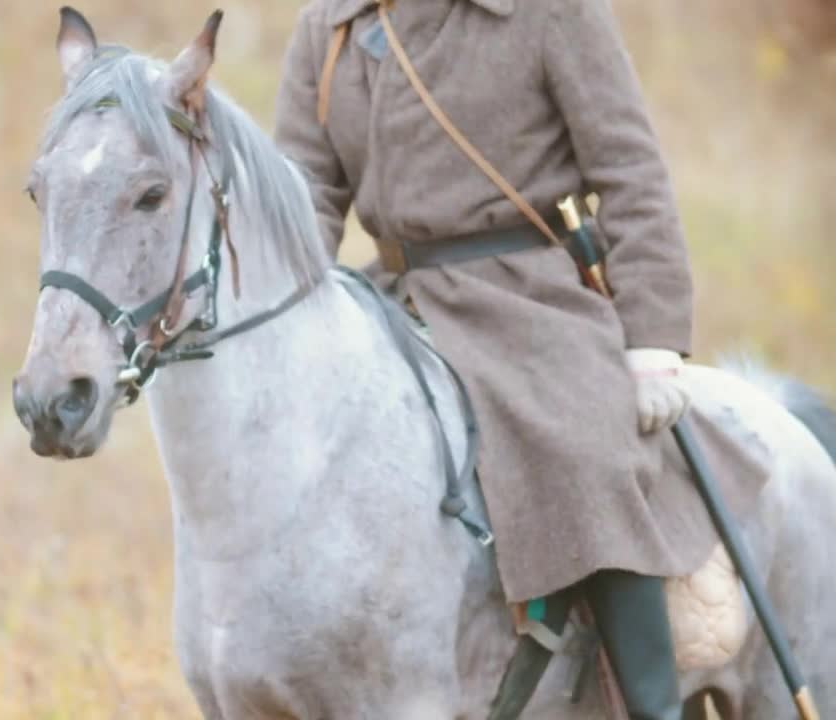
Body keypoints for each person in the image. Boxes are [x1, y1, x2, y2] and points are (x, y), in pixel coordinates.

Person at [271, 1, 771, 718]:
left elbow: (629, 172)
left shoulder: (551, 10)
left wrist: (654, 338)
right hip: (393, 296)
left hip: (529, 299)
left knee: (589, 453)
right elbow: (308, 194)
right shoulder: (330, 24)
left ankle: (654, 704)